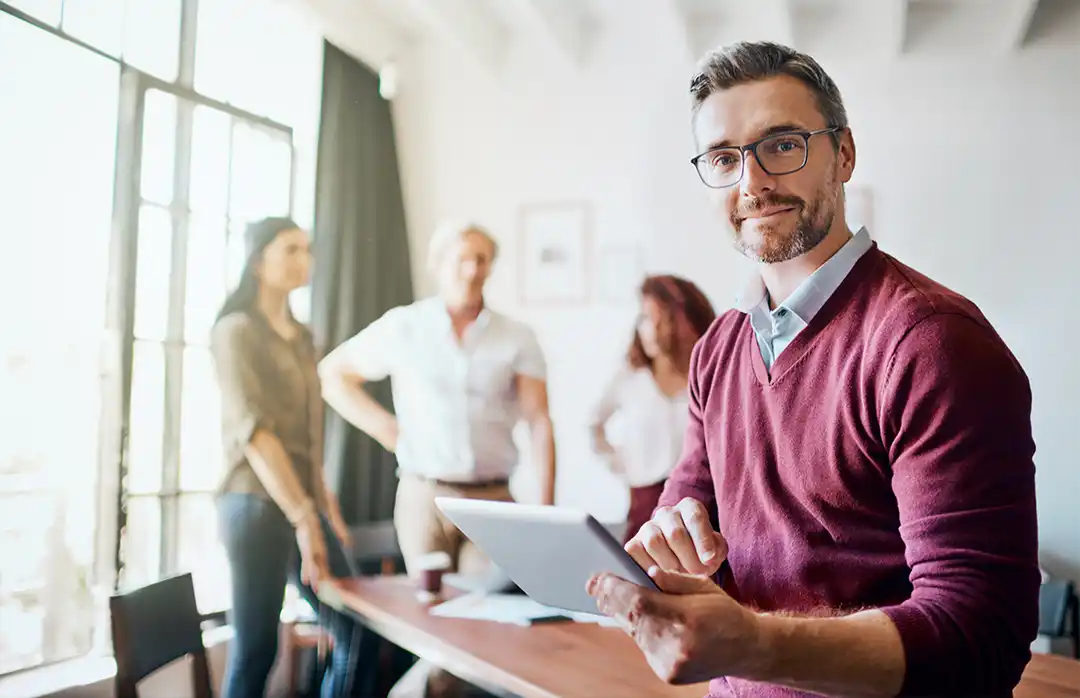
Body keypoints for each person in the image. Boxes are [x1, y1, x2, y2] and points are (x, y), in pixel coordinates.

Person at [586, 41, 1039, 698]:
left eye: (782, 144)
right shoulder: (719, 346)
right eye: (723, 158)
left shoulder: (932, 342)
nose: (752, 181)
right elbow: (682, 508)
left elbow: (981, 636)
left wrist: (756, 641)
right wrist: (668, 543)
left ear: (843, 154)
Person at [319, 220, 556, 577]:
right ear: (438, 264)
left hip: (493, 500)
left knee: (491, 609)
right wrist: (390, 431)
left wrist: (546, 508)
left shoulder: (518, 337)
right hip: (425, 498)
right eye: (462, 258)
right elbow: (333, 375)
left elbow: (539, 421)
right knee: (430, 612)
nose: (472, 269)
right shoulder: (405, 326)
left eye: (482, 259)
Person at [211, 217, 372, 698]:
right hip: (254, 504)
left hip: (304, 502)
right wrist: (304, 517)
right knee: (258, 649)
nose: (305, 259)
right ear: (259, 262)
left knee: (357, 629)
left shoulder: (304, 338)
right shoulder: (236, 331)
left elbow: (310, 433)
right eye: (291, 249)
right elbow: (253, 432)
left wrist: (326, 507)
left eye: (307, 249)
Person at [589, 274, 716, 544]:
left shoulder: (711, 376)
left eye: (664, 318)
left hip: (705, 515)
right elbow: (592, 425)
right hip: (643, 508)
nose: (655, 329)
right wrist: (626, 467)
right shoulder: (630, 377)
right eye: (646, 318)